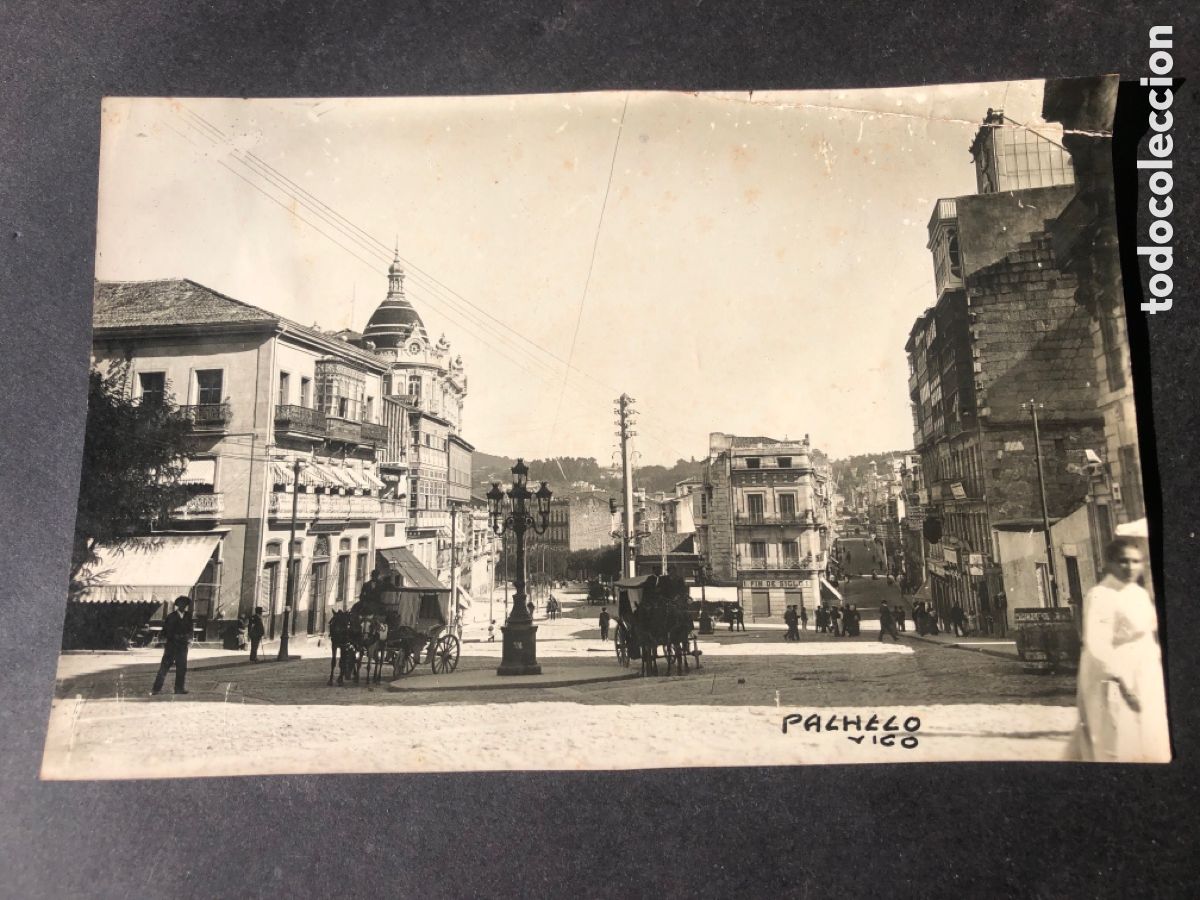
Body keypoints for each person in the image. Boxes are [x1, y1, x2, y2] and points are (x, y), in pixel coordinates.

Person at [1069, 537, 1169, 762]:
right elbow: (1097, 644)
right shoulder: (1101, 595)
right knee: (1116, 740)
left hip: (1145, 673)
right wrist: (1124, 685)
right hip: (1114, 677)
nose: (1130, 567)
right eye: (1123, 561)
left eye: (1136, 561)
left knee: (1149, 737)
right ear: (1110, 563)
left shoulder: (1139, 594)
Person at [151, 596, 193, 695]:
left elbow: (190, 629)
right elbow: (166, 631)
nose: (183, 606)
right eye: (181, 604)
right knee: (164, 667)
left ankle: (179, 688)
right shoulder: (171, 616)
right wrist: (175, 637)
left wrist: (188, 638)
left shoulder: (188, 616)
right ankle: (156, 689)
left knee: (182, 667)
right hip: (171, 645)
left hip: (182, 646)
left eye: (185, 604)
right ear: (178, 605)